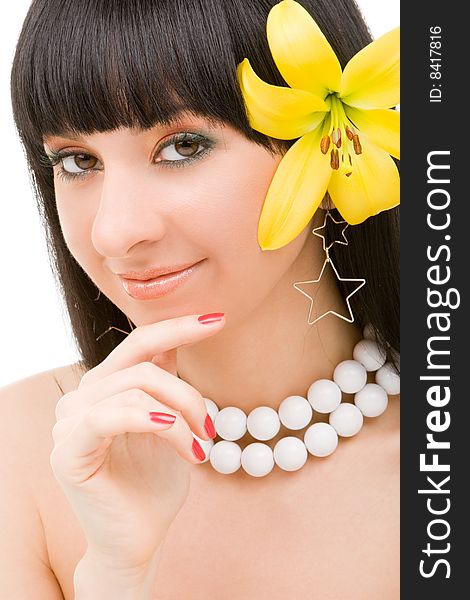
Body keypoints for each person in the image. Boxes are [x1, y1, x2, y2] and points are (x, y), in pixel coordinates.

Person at [1, 0, 400, 598]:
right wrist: (116, 574)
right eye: (77, 161)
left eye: (182, 146)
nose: (114, 232)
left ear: (332, 156)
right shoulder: (18, 455)